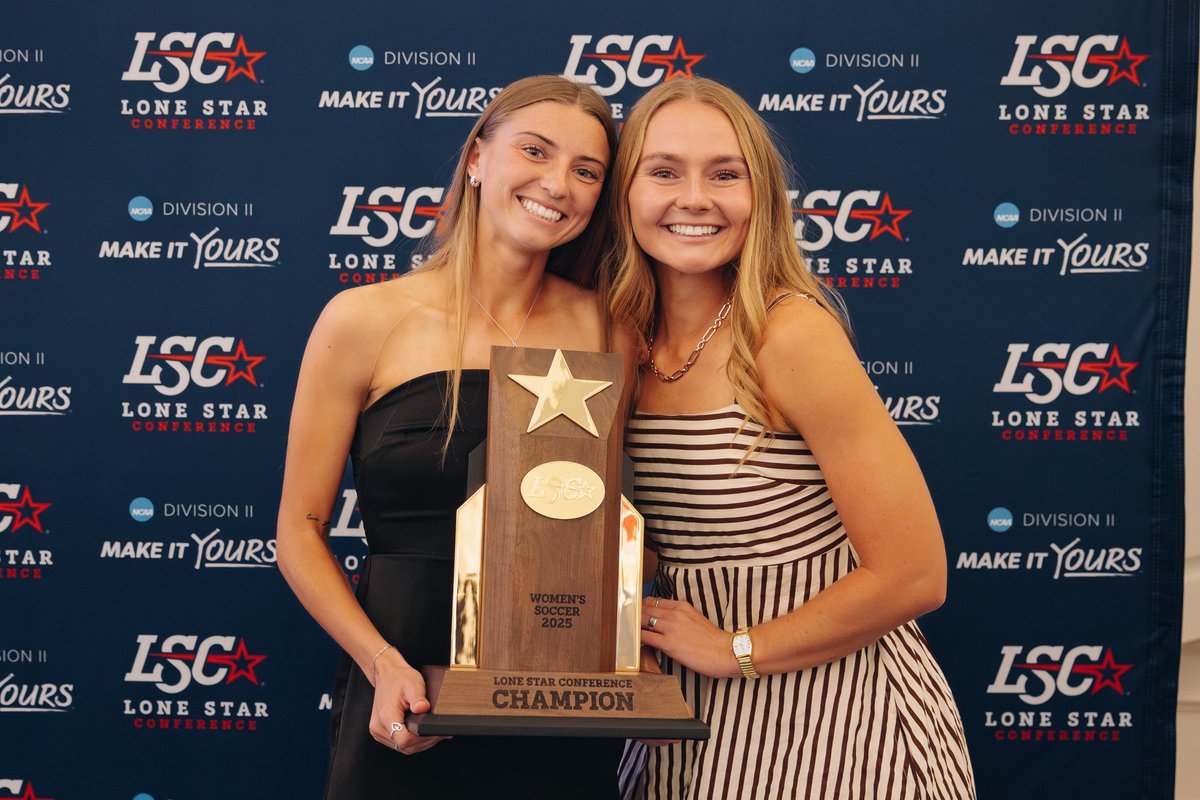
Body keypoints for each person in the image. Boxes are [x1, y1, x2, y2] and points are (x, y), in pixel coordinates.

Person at [607, 78, 975, 799]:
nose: (695, 198)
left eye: (725, 173)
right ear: (624, 194)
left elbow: (914, 574)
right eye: (663, 171)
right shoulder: (614, 340)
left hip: (836, 713)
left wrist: (734, 650)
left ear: (761, 196)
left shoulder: (790, 335)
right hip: (686, 711)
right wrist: (621, 644)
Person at [277, 75, 627, 799]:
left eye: (586, 171)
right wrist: (383, 665)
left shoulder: (610, 327)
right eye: (535, 151)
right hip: (403, 699)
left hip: (555, 706)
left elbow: (629, 522)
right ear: (476, 157)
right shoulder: (363, 319)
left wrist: (630, 635)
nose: (557, 184)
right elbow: (300, 532)